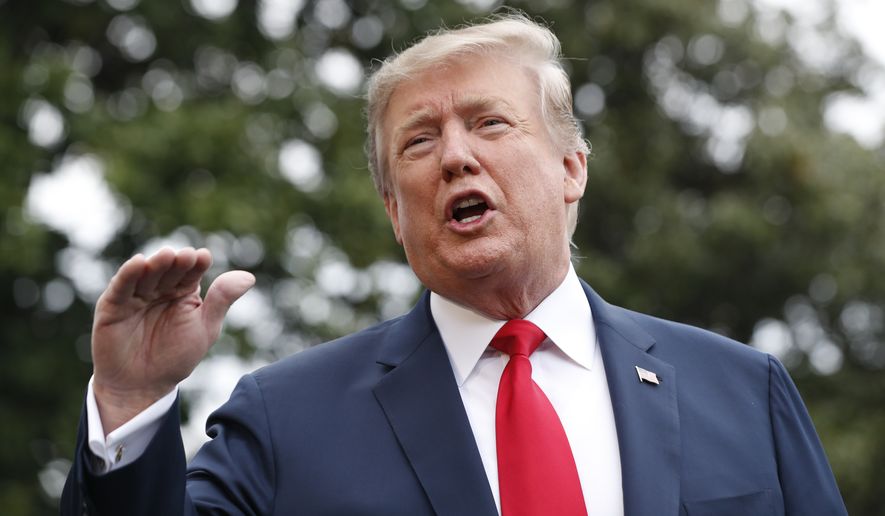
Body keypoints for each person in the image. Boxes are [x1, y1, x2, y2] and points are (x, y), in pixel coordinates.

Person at [62, 13, 847, 516]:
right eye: (419, 141)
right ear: (394, 214)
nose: (456, 157)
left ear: (571, 168)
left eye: (489, 123)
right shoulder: (285, 420)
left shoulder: (743, 392)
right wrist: (131, 400)